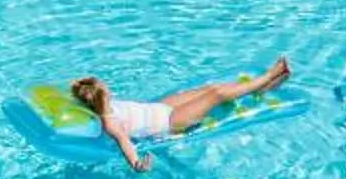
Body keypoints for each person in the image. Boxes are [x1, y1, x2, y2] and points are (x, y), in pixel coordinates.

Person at [67, 58, 291, 172]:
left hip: (159, 108)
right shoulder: (110, 123)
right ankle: (268, 76)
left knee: (208, 88)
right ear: (102, 97)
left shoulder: (103, 105)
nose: (108, 85)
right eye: (105, 87)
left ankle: (262, 89)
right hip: (170, 122)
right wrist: (137, 164)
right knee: (216, 94)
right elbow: (125, 144)